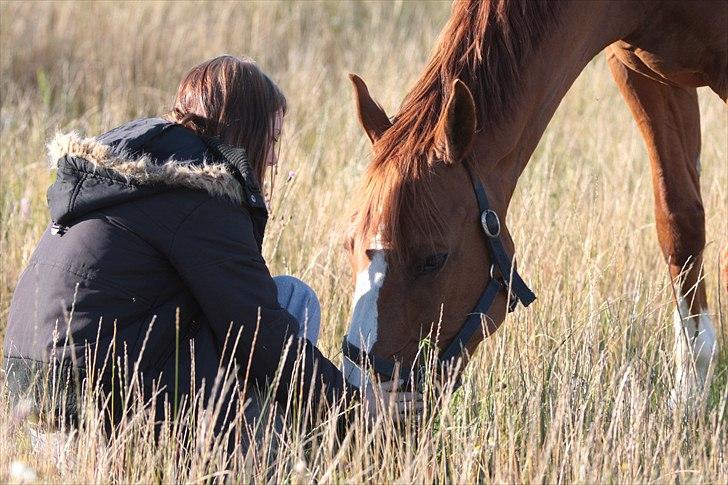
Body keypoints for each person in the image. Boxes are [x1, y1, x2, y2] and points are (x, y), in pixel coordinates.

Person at [2, 55, 420, 439]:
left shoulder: (133, 176)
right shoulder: (199, 196)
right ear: (246, 132)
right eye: (271, 142)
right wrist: (354, 408)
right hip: (100, 405)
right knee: (295, 299)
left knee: (278, 299)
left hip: (33, 394)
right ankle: (267, 456)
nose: (273, 160)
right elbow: (258, 332)